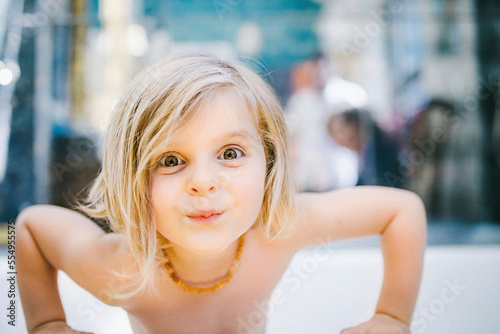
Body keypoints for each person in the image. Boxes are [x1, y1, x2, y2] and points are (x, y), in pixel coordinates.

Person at [16, 53, 426, 334]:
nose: (204, 182)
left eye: (230, 153)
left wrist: (392, 316)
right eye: (171, 160)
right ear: (133, 179)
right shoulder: (120, 270)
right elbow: (30, 228)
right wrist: (45, 323)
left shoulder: (280, 226)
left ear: (268, 161)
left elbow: (401, 210)